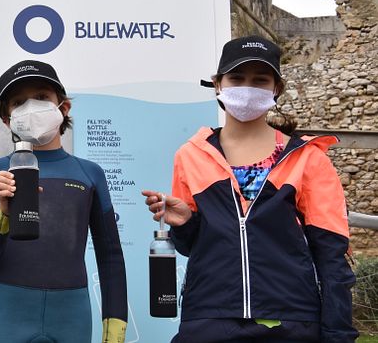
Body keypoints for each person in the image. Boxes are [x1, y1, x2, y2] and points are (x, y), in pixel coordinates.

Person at [143, 35, 358, 343]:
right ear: (218, 84)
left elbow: (332, 256)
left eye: (260, 80)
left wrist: (338, 335)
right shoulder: (190, 155)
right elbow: (190, 247)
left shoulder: (309, 159)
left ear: (276, 89)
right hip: (208, 319)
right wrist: (186, 223)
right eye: (237, 78)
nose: (247, 88)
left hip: (291, 322)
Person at [0, 60, 128, 343]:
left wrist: (115, 320)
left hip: (71, 314)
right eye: (19, 102)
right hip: (6, 312)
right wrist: (2, 216)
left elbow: (110, 255)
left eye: (42, 97)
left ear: (63, 107)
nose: (31, 107)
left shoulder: (90, 174)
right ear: (7, 119)